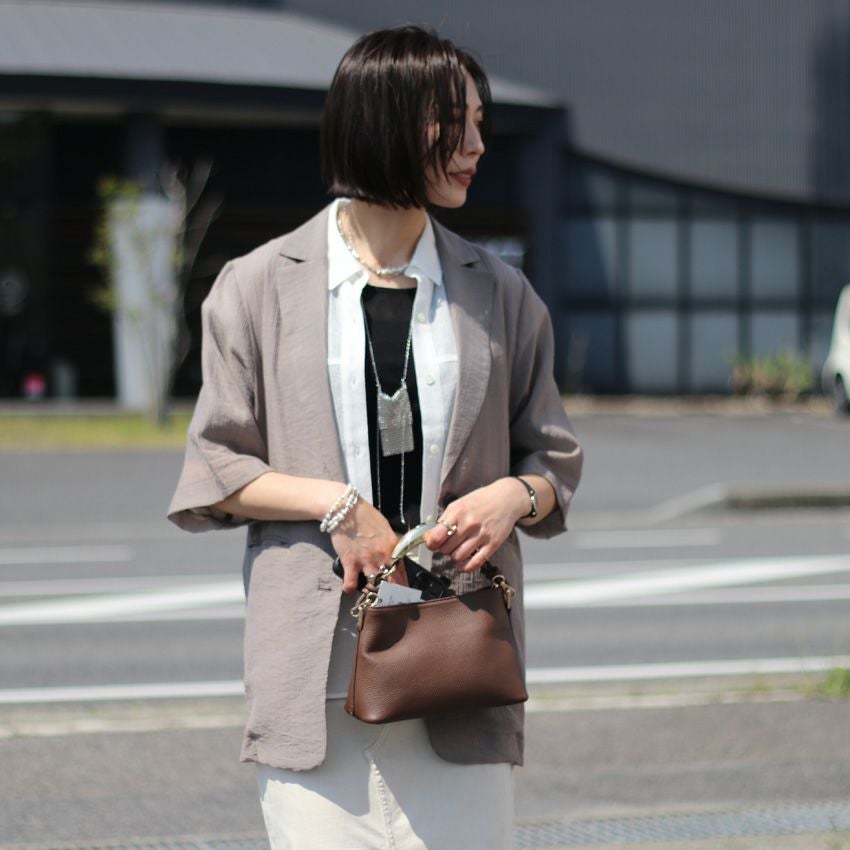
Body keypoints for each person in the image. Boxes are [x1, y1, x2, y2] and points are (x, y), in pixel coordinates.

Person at [168, 24, 582, 850]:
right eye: (453, 123)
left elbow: (553, 459)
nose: (476, 145)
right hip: (313, 675)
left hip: (460, 665)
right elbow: (216, 464)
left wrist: (513, 495)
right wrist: (338, 506)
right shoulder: (257, 287)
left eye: (480, 124)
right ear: (383, 123)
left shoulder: (500, 293)